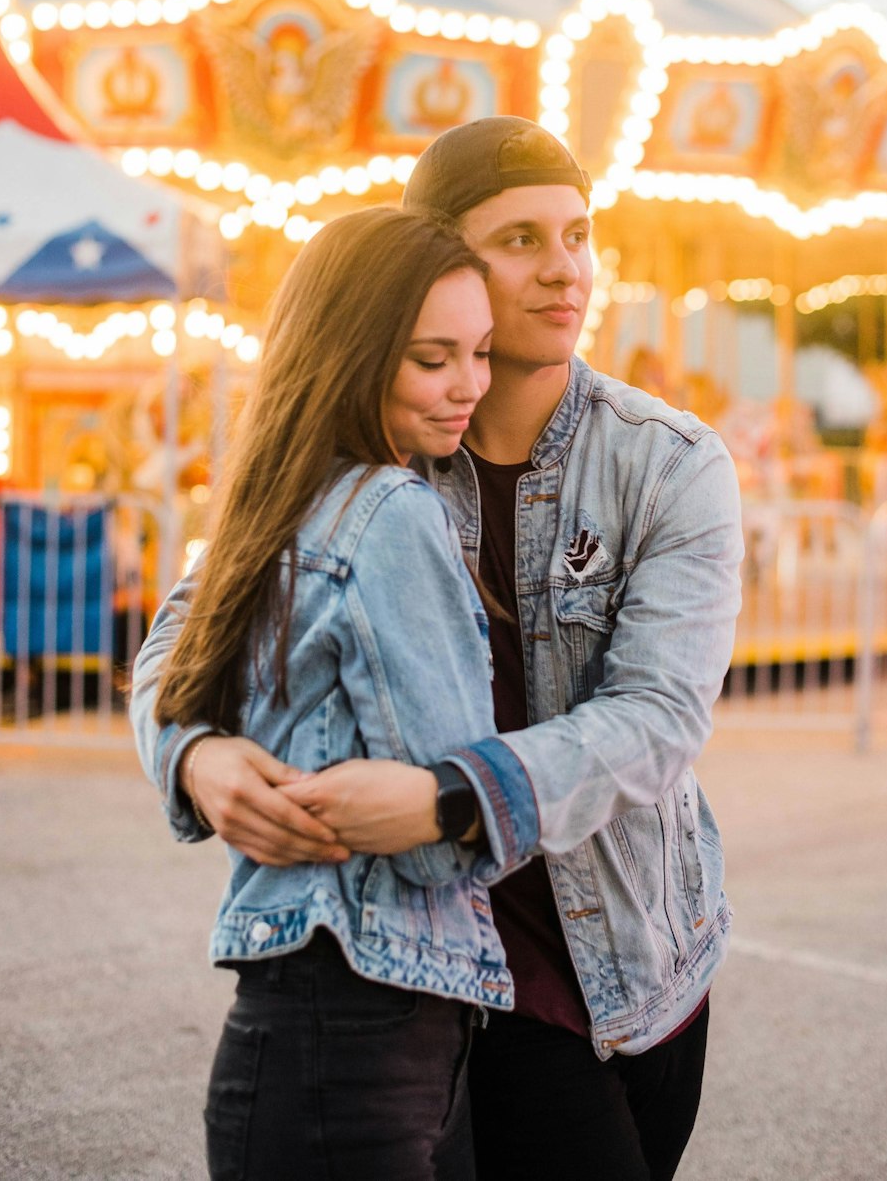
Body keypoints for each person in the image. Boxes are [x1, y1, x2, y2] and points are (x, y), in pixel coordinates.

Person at [136, 117, 744, 1181]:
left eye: (578, 233)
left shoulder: (671, 465)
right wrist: (194, 755)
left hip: (644, 958)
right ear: (441, 261)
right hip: (469, 974)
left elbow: (659, 716)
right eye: (520, 240)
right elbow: (186, 630)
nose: (564, 269)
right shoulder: (379, 452)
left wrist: (451, 799)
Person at [130, 208, 517, 1181]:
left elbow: (171, 655)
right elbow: (437, 838)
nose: (469, 383)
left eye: (478, 351)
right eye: (434, 358)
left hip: (306, 1009)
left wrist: (191, 749)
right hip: (369, 1024)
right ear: (354, 352)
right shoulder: (393, 509)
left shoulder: (278, 500)